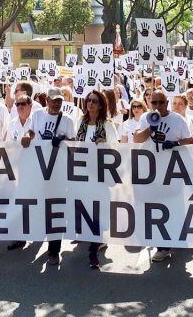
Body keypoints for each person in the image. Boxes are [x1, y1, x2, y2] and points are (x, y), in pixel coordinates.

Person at [133, 90, 193, 262]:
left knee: (174, 205)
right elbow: (137, 139)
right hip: (151, 171)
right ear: (149, 104)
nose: (156, 106)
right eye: (153, 102)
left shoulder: (177, 119)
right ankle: (162, 245)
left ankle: (174, 238)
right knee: (155, 207)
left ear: (166, 103)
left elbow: (188, 140)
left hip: (172, 171)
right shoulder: (145, 118)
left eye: (160, 102)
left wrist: (176, 143)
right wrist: (151, 127)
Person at [18, 87, 77, 265]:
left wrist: (63, 139)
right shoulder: (37, 115)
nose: (57, 103)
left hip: (57, 171)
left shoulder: (66, 119)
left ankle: (54, 250)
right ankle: (34, 235)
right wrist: (27, 136)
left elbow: (74, 143)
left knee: (55, 209)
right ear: (47, 101)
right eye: (54, 100)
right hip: (39, 169)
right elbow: (31, 131)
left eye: (60, 100)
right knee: (39, 206)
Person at [76, 90, 118, 269]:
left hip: (100, 173)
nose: (91, 104)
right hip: (81, 173)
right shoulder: (81, 122)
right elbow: (75, 145)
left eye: (94, 101)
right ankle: (94, 239)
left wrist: (104, 146)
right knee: (85, 208)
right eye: (88, 101)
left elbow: (116, 149)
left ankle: (93, 251)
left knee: (97, 209)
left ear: (101, 105)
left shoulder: (107, 125)